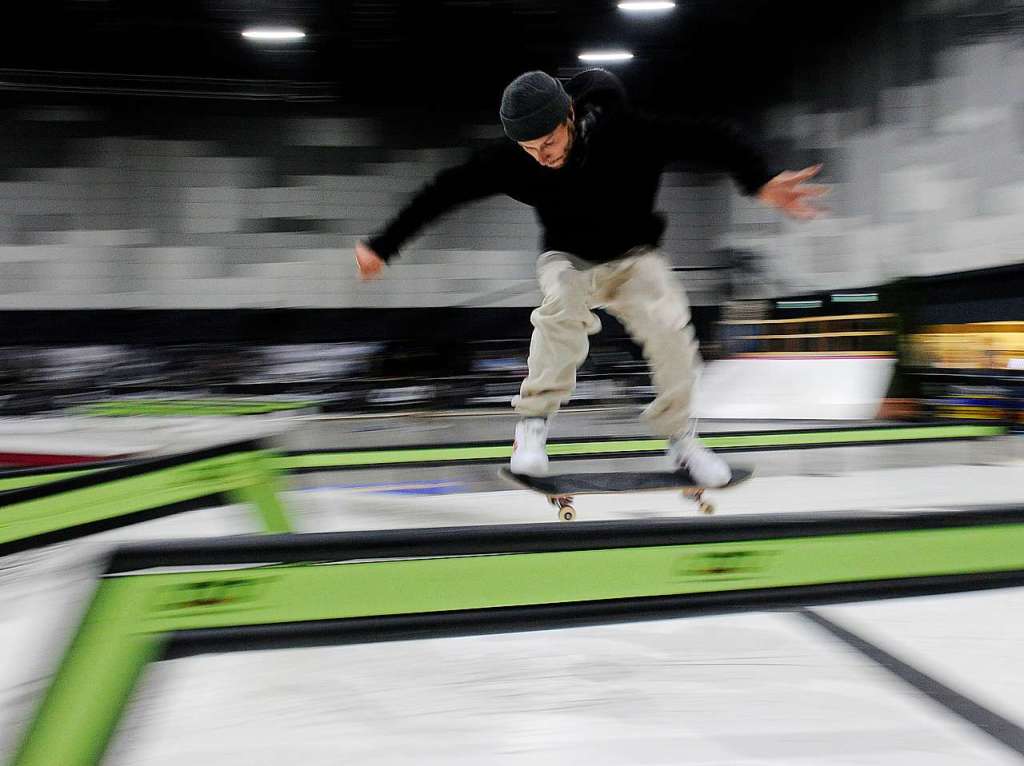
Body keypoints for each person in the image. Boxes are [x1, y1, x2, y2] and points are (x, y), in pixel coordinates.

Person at [355, 69, 826, 484]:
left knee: (671, 327)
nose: (541, 157)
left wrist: (759, 180)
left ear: (570, 118)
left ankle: (681, 440)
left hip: (633, 258)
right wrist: (384, 244)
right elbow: (446, 189)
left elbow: (711, 137)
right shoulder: (514, 161)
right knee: (561, 304)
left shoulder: (629, 132)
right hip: (569, 257)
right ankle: (532, 428)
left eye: (548, 143)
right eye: (529, 149)